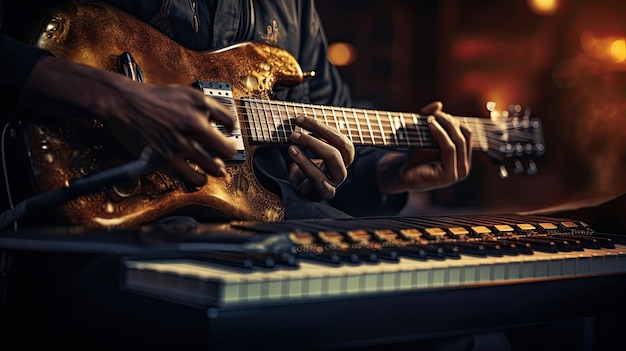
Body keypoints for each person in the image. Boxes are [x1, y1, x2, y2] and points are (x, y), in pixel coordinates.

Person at [0, 1, 496, 350]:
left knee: (464, 331)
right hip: (83, 235)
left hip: (256, 232)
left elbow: (329, 122)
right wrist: (115, 98)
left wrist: (391, 171)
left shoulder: (293, 8)